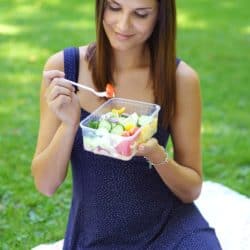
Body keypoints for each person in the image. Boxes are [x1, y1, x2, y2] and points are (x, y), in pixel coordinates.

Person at [31, 0, 222, 249]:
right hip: (96, 235)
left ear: (160, 17)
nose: (123, 24)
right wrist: (69, 125)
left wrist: (156, 154)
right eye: (114, 7)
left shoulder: (180, 79)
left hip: (171, 228)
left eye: (140, 14)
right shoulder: (65, 70)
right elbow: (46, 185)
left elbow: (191, 190)